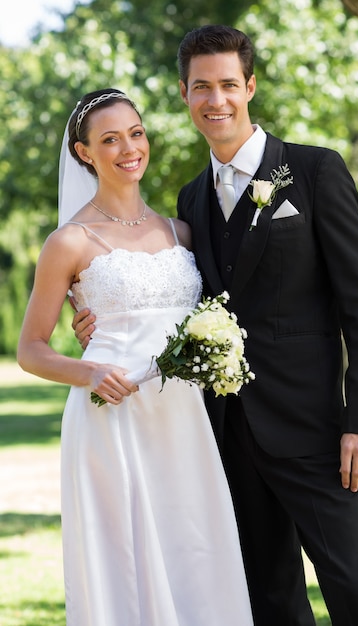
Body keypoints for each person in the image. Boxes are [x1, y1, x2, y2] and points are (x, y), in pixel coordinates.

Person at [73, 26, 358, 626]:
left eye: (227, 84)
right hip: (225, 433)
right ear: (185, 94)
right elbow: (175, 300)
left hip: (317, 430)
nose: (215, 99)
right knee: (268, 595)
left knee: (350, 582)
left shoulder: (315, 171)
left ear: (249, 87)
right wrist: (99, 319)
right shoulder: (189, 200)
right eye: (201, 87)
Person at [17, 88, 254, 626]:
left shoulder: (181, 231)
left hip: (183, 418)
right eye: (109, 139)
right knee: (124, 554)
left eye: (136, 133)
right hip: (112, 416)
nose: (129, 148)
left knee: (194, 541)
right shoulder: (69, 241)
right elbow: (30, 350)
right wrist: (91, 370)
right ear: (84, 153)